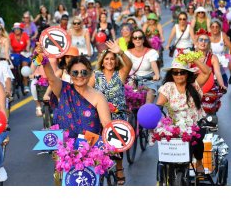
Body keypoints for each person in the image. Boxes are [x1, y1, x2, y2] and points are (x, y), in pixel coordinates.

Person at [35, 43, 111, 137]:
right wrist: (41, 56)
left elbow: (106, 123)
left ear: (90, 73)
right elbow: (51, 78)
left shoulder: (98, 96)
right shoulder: (63, 90)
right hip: (65, 148)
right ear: (70, 74)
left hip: (91, 148)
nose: (79, 76)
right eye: (75, 72)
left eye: (84, 72)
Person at [157, 57, 212, 173]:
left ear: (187, 74)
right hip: (174, 125)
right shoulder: (168, 87)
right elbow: (160, 102)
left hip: (195, 123)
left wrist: (193, 59)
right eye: (175, 72)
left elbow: (207, 72)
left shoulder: (195, 85)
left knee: (197, 141)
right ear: (171, 74)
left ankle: (199, 162)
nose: (179, 75)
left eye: (182, 72)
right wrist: (157, 110)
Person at [88, 41, 132, 185]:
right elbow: (87, 93)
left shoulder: (120, 74)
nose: (109, 61)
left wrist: (120, 52)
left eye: (112, 59)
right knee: (98, 144)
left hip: (118, 116)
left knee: (117, 144)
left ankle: (119, 168)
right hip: (99, 116)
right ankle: (99, 166)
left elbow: (129, 64)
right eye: (107, 59)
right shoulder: (96, 75)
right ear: (102, 61)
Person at [125, 29, 160, 104]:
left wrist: (157, 75)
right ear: (132, 40)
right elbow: (125, 67)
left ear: (143, 40)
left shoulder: (151, 52)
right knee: (132, 101)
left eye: (140, 37)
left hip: (149, 80)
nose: (137, 39)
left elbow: (153, 64)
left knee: (148, 102)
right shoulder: (127, 53)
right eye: (135, 38)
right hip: (134, 80)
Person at [9, 22, 31, 93]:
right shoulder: (11, 35)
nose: (16, 30)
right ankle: (13, 80)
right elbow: (8, 43)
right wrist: (9, 48)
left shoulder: (24, 35)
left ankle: (25, 85)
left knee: (24, 66)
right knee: (11, 65)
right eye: (15, 29)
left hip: (24, 53)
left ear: (21, 29)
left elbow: (28, 42)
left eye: (18, 29)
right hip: (14, 54)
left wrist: (27, 47)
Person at [210, 19, 231, 85]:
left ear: (219, 28)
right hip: (211, 61)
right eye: (213, 27)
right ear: (210, 28)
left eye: (217, 27)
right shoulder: (208, 36)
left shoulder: (223, 35)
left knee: (224, 84)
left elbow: (230, 46)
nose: (215, 29)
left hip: (222, 61)